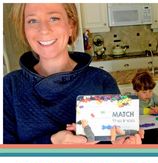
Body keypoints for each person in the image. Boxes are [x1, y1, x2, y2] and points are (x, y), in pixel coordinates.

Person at [3, 4, 142, 144]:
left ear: (71, 26)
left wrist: (122, 147)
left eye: (54, 18)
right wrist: (52, 143)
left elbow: (116, 151)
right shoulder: (9, 87)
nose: (44, 30)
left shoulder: (102, 81)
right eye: (32, 20)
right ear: (24, 30)